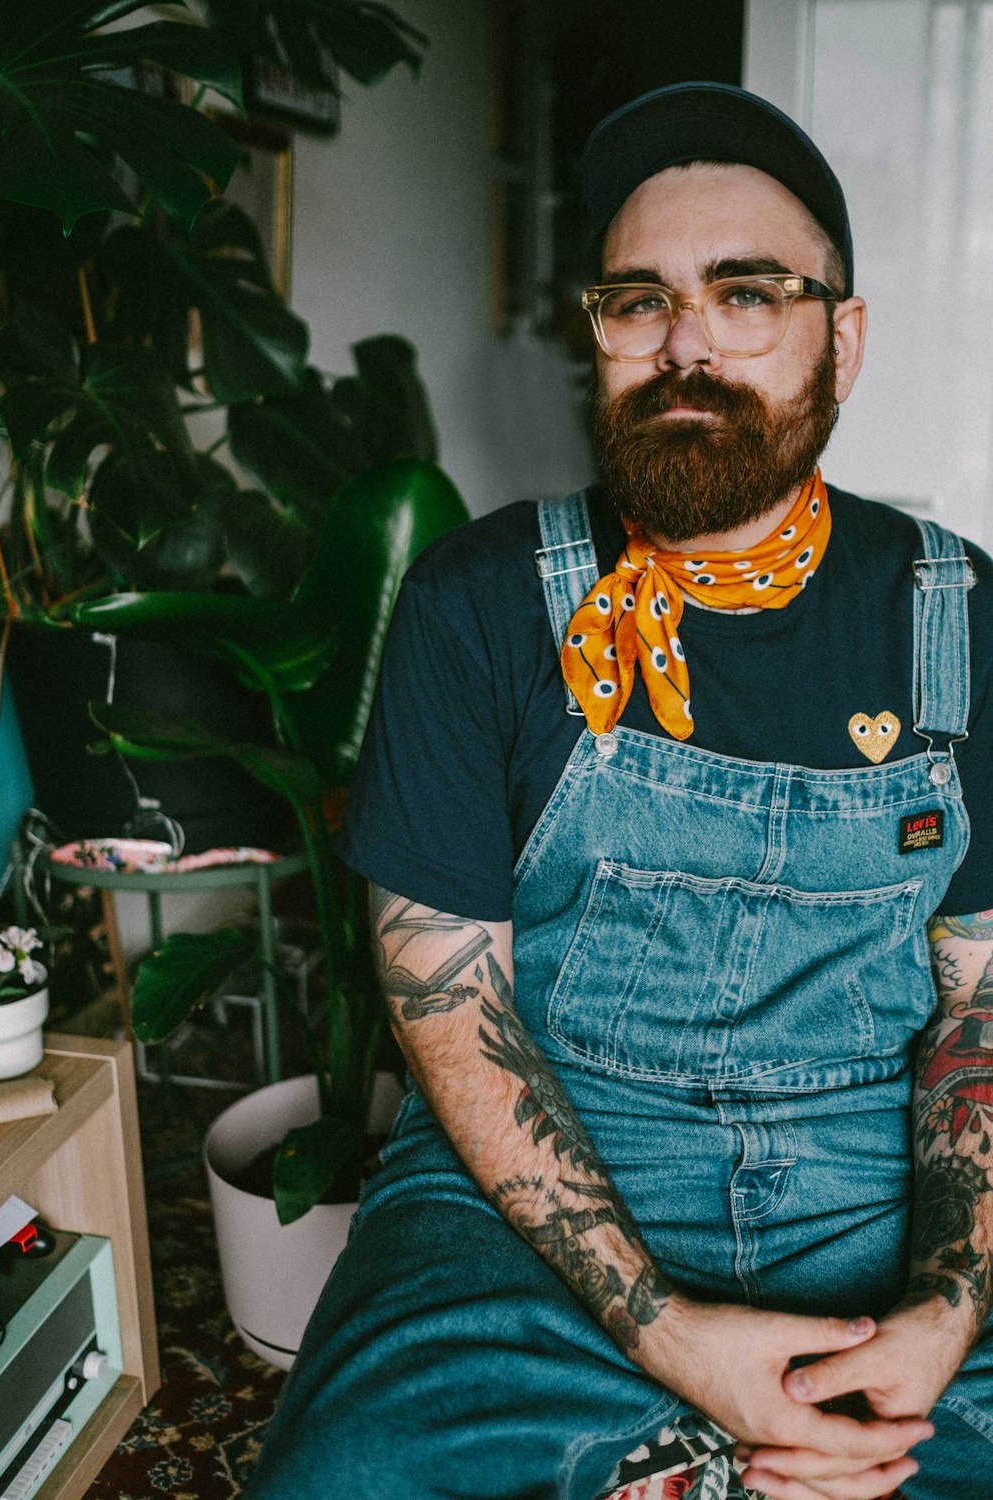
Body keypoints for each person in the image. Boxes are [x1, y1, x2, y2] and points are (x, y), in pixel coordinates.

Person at [247, 82, 993, 1500]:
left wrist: (945, 1307)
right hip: (539, 1187)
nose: (686, 341)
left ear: (843, 336)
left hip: (873, 1175)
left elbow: (982, 1005)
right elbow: (449, 1012)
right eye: (635, 301)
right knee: (350, 1472)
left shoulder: (960, 618)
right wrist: (662, 1329)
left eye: (747, 293)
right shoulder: (480, 603)